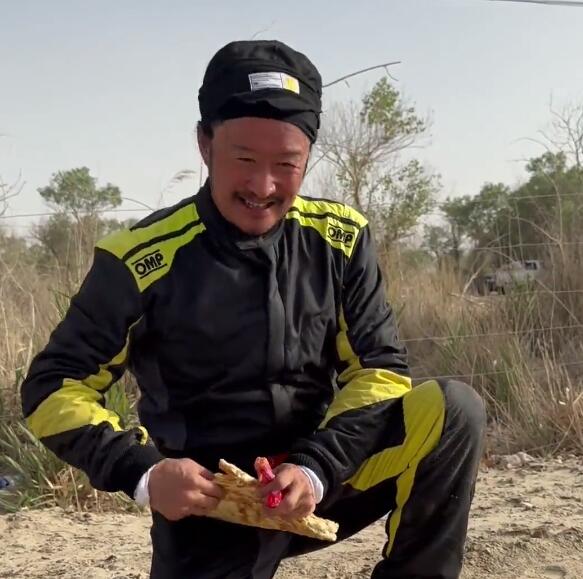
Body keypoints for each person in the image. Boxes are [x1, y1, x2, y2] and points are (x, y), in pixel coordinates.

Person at [21, 39, 486, 579]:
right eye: (244, 160)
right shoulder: (139, 258)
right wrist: (144, 473)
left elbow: (378, 370)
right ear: (204, 145)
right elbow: (53, 387)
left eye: (286, 165)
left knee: (450, 410)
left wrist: (315, 467)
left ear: (308, 158)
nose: (263, 187)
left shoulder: (341, 239)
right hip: (213, 506)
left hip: (321, 479)